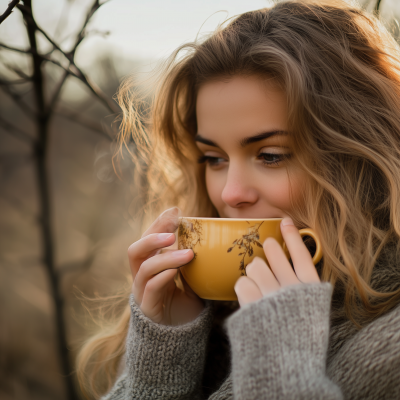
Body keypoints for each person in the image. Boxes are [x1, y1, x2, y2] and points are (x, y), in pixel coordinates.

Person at [76, 0, 400, 398]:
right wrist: (159, 364)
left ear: (360, 157)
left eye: (271, 155)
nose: (229, 193)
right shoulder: (198, 317)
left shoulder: (389, 348)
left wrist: (279, 369)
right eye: (214, 159)